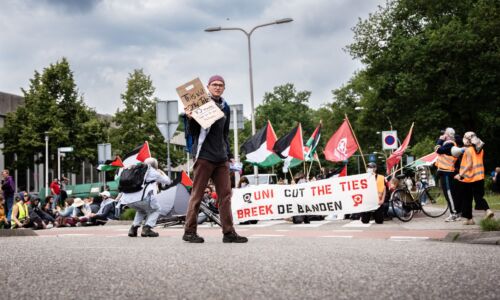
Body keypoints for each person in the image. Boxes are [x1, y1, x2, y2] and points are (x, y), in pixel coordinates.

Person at [183, 75, 247, 243]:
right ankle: (189, 232)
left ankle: (229, 232)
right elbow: (194, 132)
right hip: (204, 156)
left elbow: (225, 134)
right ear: (208, 87)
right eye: (214, 85)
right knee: (197, 195)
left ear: (224, 88)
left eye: (221, 85)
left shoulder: (225, 107)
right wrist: (190, 119)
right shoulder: (200, 103)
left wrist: (230, 156)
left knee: (225, 196)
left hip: (221, 158)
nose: (218, 87)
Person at [120, 157, 172, 237]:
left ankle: (133, 229)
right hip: (142, 198)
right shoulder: (153, 172)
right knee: (156, 209)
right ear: (155, 165)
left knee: (141, 210)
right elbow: (168, 181)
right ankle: (147, 228)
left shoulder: (135, 170)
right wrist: (161, 172)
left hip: (127, 199)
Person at [455, 132, 494, 225]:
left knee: (466, 198)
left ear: (468, 140)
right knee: (478, 197)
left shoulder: (469, 150)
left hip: (468, 178)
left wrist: (460, 174)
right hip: (479, 177)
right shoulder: (480, 150)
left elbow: (469, 164)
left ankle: (469, 219)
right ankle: (486, 211)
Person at [435, 128, 461, 222]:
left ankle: (454, 214)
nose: (443, 135)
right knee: (451, 194)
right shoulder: (449, 144)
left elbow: (437, 150)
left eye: (445, 133)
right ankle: (456, 213)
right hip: (446, 171)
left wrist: (440, 140)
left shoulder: (449, 144)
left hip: (447, 172)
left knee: (449, 194)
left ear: (448, 135)